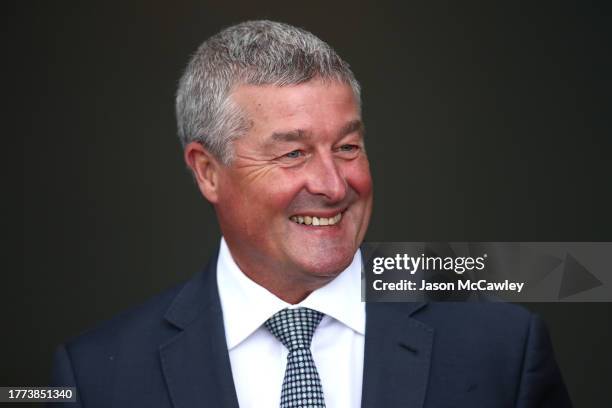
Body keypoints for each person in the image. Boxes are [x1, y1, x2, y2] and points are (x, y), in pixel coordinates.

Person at [50, 20, 572, 407]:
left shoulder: (501, 347)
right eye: (292, 153)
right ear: (207, 171)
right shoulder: (95, 378)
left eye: (347, 147)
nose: (332, 184)